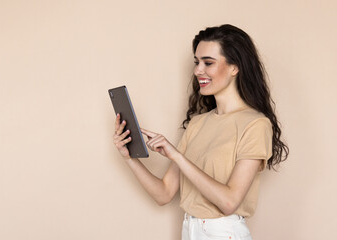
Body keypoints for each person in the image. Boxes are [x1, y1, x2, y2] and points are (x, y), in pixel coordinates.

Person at [112, 24, 289, 240]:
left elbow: (229, 202)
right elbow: (164, 193)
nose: (198, 70)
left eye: (208, 63)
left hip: (224, 233)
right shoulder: (197, 124)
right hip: (190, 230)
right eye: (197, 62)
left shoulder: (255, 124)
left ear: (235, 67)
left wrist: (176, 155)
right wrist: (129, 157)